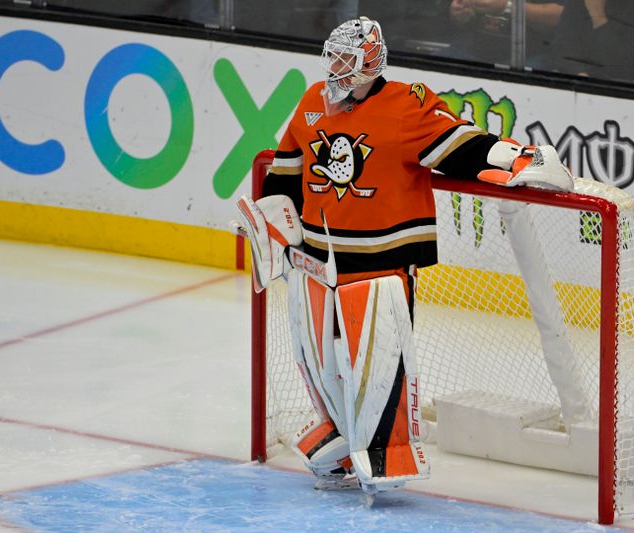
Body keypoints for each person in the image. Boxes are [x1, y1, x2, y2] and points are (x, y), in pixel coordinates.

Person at [232, 16, 572, 496]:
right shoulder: (312, 101)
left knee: (377, 363)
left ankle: (384, 458)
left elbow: (461, 145)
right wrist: (273, 229)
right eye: (333, 56)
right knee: (320, 363)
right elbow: (286, 172)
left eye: (346, 59)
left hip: (380, 263)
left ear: (370, 63)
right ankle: (336, 444)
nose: (336, 67)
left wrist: (517, 156)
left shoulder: (405, 103)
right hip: (314, 263)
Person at [546, 0, 634, 87]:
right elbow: (562, 43)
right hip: (594, 72)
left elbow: (625, 66)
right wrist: (578, 72)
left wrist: (598, 16)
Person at [444, 0, 564, 65]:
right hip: (471, 50)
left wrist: (508, 6)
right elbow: (461, 23)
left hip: (527, 58)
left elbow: (562, 16)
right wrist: (461, 14)